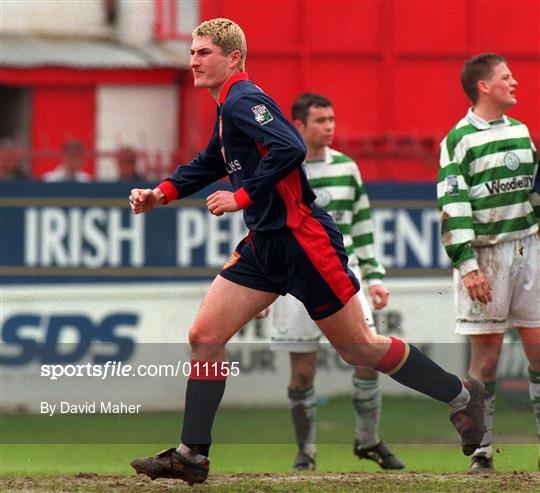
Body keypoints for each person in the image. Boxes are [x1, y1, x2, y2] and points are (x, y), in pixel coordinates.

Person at [129, 18, 485, 485]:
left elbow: (291, 147)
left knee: (359, 348)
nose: (193, 59)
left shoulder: (243, 97)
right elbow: (212, 161)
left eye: (203, 52)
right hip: (264, 246)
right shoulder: (226, 108)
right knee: (205, 335)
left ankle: (461, 397)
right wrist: (164, 192)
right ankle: (191, 454)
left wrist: (242, 196)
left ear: (233, 58)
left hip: (302, 241)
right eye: (192, 51)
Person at [270, 93, 403, 471]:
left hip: (344, 276)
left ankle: (368, 440)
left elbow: (362, 228)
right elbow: (266, 227)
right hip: (295, 278)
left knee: (367, 360)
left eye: (331, 119)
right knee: (303, 372)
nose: (329, 126)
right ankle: (305, 452)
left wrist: (374, 277)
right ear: (298, 126)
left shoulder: (347, 168)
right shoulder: (281, 167)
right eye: (320, 120)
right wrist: (264, 284)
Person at [437, 53, 540, 473]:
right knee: (488, 357)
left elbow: (534, 196)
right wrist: (468, 265)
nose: (514, 82)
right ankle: (482, 451)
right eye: (506, 76)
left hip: (526, 249)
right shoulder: (458, 139)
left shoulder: (521, 132)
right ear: (484, 85)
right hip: (485, 256)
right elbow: (453, 205)